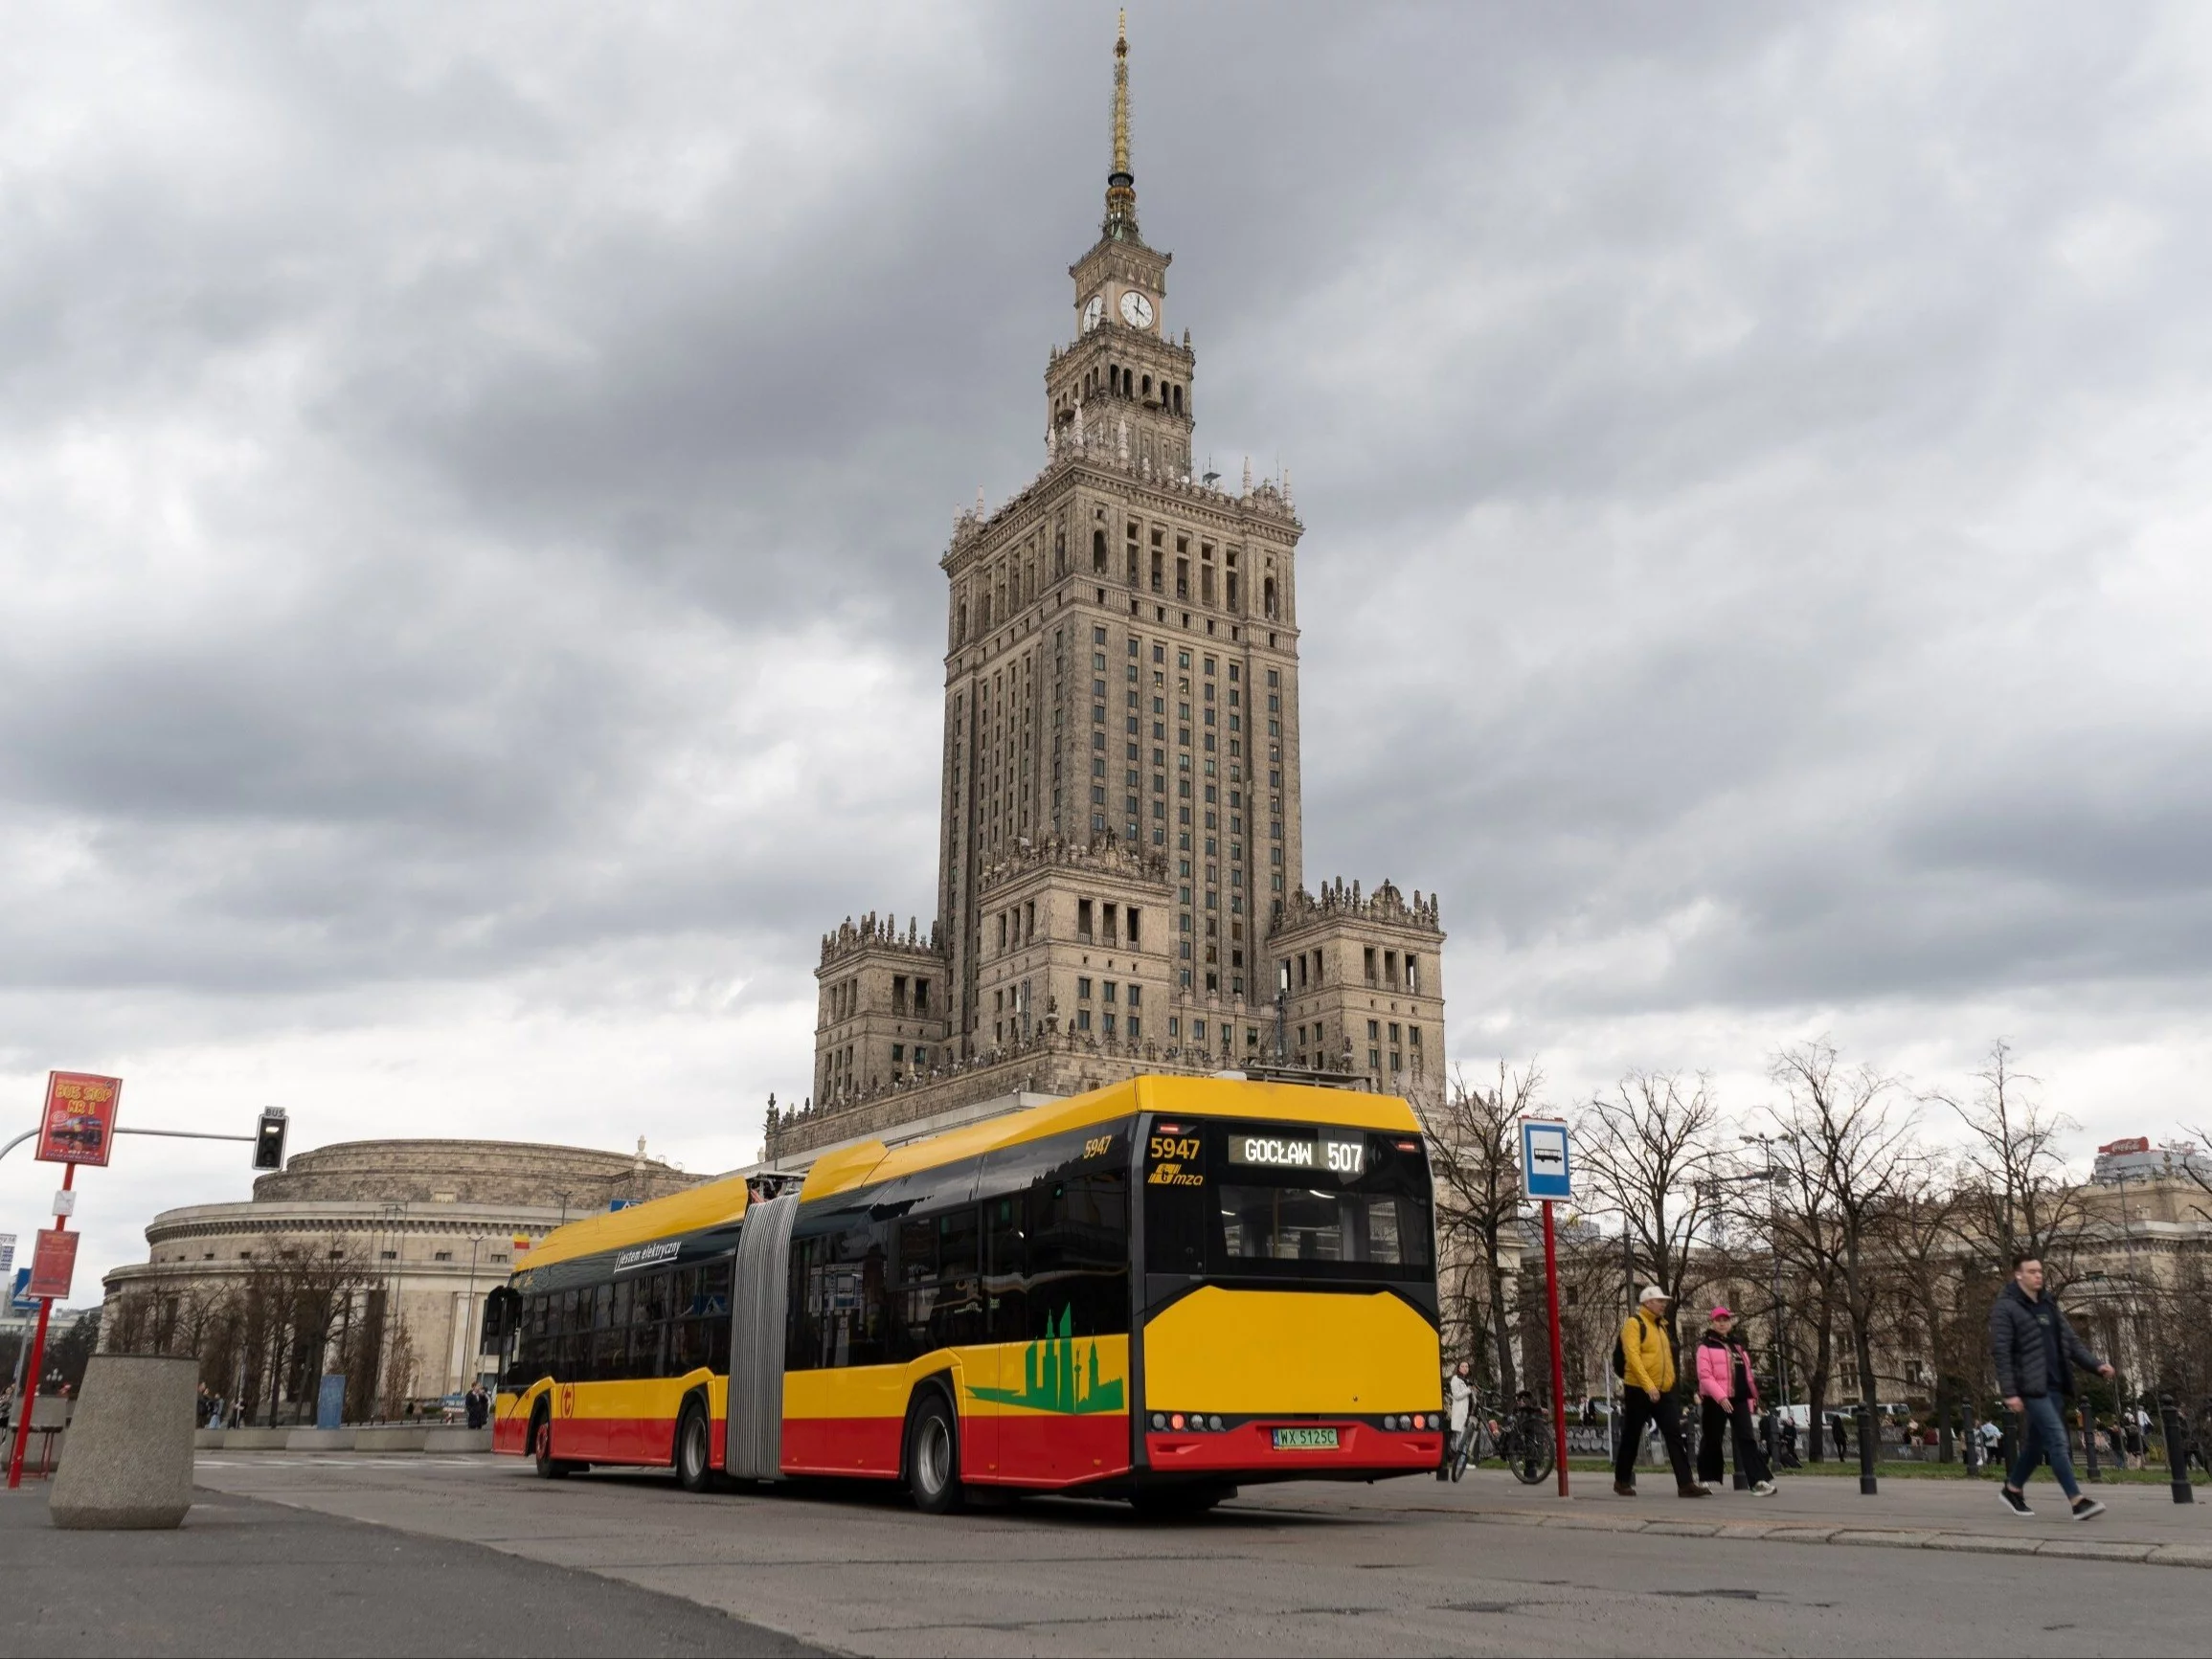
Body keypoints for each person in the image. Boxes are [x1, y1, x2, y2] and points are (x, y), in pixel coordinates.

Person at [1991, 1253, 2114, 1521]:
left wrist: (2096, 1365)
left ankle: (2012, 1489)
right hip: (2031, 1387)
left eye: (2040, 1271)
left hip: (2055, 1385)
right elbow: (2001, 1352)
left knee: (2036, 1445)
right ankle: (2077, 1501)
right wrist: (2010, 1392)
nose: (2038, 1275)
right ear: (2018, 1275)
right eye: (2032, 1271)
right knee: (2058, 1440)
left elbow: (2070, 1342)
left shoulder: (2048, 1304)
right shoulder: (2006, 1308)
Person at [1612, 1286, 1705, 1499]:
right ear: (1646, 1303)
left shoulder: (1661, 1327)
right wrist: (1648, 1385)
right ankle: (1622, 1480)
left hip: (1663, 1391)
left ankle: (1686, 1483)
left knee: (1673, 1434)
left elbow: (1667, 1362)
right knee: (1632, 1435)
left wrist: (1670, 1386)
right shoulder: (1634, 1324)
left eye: (1664, 1301)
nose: (1663, 1304)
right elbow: (1633, 1357)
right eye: (1659, 1301)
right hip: (1638, 1388)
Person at [1695, 1310, 1777, 1495]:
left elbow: (1746, 1374)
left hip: (1738, 1398)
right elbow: (1704, 1376)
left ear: (1730, 1322)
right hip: (1715, 1400)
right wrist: (1720, 1396)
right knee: (1711, 1438)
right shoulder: (1705, 1346)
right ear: (1712, 1323)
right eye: (1718, 1320)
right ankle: (1706, 1479)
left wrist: (1752, 1397)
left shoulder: (1737, 1345)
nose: (1722, 1324)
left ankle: (1757, 1481)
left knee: (1747, 1438)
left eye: (1725, 1320)